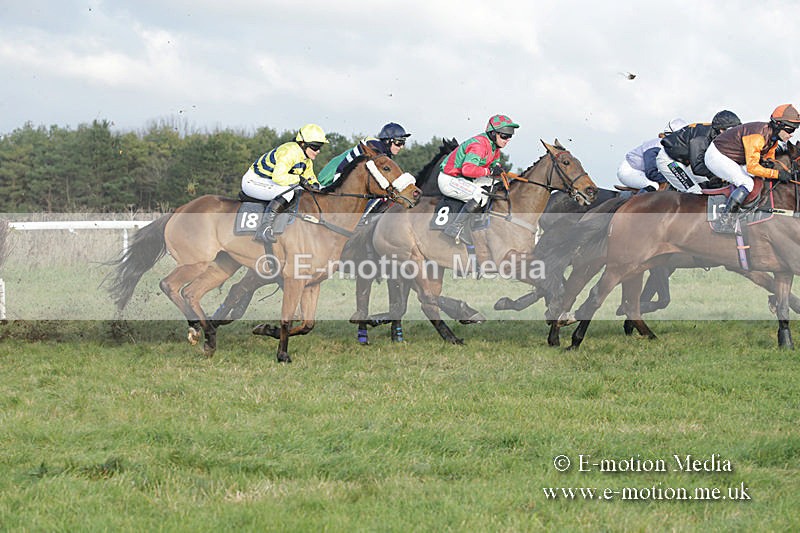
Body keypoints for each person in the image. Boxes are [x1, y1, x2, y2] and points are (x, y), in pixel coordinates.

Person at [705, 104, 800, 222]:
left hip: (733, 157)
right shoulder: (758, 136)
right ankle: (726, 219)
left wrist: (768, 162)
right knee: (747, 183)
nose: (791, 134)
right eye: (790, 129)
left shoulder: (773, 138)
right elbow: (752, 168)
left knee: (756, 179)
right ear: (778, 125)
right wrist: (777, 174)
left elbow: (769, 154)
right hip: (717, 156)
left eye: (795, 129)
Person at [241, 123, 329, 244]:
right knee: (287, 193)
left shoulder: (305, 158)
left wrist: (319, 187)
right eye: (315, 147)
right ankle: (264, 228)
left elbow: (310, 177)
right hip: (254, 181)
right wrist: (299, 179)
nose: (318, 151)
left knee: (303, 192)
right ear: (303, 144)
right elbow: (279, 177)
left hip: (270, 181)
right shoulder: (289, 151)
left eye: (320, 147)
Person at [438, 114, 518, 244]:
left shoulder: (495, 147)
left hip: (465, 179)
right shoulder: (479, 145)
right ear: (492, 134)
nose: (507, 139)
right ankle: (456, 228)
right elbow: (468, 170)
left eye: (510, 136)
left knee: (498, 187)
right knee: (481, 194)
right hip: (450, 178)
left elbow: (493, 165)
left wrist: (497, 169)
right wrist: (490, 171)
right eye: (504, 136)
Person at [657, 110, 742, 193]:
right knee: (695, 191)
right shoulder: (701, 138)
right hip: (669, 161)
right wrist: (721, 174)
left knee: (708, 185)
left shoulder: (716, 134)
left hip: (687, 161)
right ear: (721, 130)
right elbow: (697, 167)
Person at [318, 123, 411, 187]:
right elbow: (342, 169)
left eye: (403, 143)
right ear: (387, 141)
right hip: (331, 174)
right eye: (399, 142)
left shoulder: (385, 154)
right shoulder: (373, 147)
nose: (401, 146)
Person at [617, 118, 688, 191]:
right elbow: (651, 173)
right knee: (654, 186)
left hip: (644, 172)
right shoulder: (658, 146)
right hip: (631, 170)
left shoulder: (674, 149)